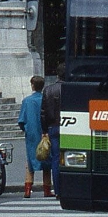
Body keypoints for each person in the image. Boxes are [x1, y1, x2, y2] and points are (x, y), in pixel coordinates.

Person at [18, 75, 49, 198]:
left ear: (32, 86)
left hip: (31, 134)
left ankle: (27, 189)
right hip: (44, 133)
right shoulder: (45, 99)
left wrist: (25, 129)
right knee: (46, 160)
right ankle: (47, 189)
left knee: (30, 162)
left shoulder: (27, 101)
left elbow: (21, 120)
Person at [40, 64, 64, 198]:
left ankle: (58, 190)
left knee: (55, 159)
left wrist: (44, 130)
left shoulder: (48, 90)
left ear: (57, 75)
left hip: (53, 126)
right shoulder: (70, 89)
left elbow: (43, 113)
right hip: (69, 126)